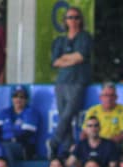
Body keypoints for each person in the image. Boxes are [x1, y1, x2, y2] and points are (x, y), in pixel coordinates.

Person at [48, 7, 92, 158]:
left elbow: (81, 56)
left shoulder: (84, 37)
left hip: (77, 80)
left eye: (76, 17)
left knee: (67, 115)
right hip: (61, 82)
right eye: (70, 17)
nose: (73, 20)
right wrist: (70, 59)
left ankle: (53, 143)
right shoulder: (60, 40)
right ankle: (68, 147)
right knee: (63, 116)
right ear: (65, 21)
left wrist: (65, 58)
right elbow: (55, 62)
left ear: (80, 20)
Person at [0, 86, 39, 161]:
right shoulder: (5, 112)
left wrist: (11, 141)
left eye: (22, 97)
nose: (18, 99)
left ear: (26, 99)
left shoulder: (31, 112)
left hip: (23, 146)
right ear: (12, 98)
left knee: (6, 148)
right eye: (15, 96)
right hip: (4, 143)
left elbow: (27, 135)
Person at [84, 83, 123, 149]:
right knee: (73, 148)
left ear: (116, 97)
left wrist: (105, 143)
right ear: (100, 97)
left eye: (112, 95)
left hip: (114, 143)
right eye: (106, 95)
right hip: (94, 143)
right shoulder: (92, 111)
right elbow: (84, 132)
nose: (109, 98)